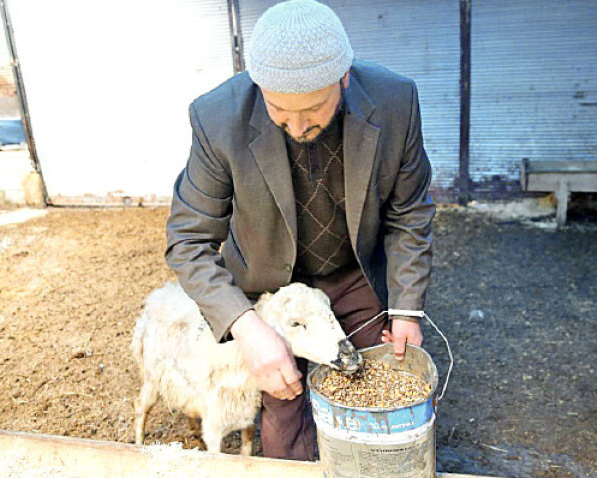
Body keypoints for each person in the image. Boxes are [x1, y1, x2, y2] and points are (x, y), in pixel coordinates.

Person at [165, 0, 435, 461]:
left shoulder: (395, 103)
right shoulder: (216, 119)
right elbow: (188, 241)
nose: (295, 126)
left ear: (343, 79)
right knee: (285, 415)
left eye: (312, 109)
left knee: (376, 391)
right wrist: (248, 328)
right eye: (278, 110)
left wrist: (407, 309)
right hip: (269, 292)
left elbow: (408, 212)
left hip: (352, 273)